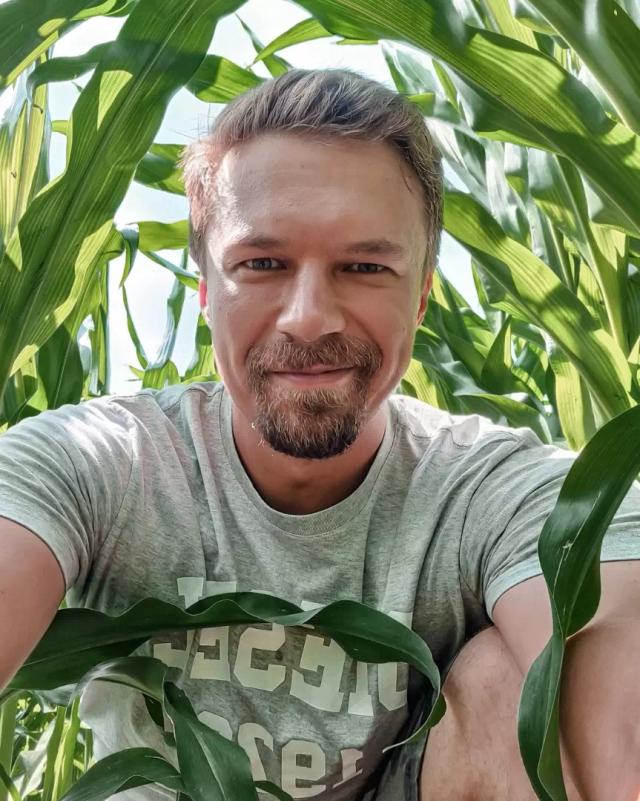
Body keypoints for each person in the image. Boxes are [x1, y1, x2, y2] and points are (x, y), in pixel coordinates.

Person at [0, 68, 639, 801]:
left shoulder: (486, 487)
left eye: (364, 266)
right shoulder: (100, 462)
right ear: (206, 290)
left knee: (510, 685)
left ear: (420, 295)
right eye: (262, 263)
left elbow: (622, 732)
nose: (309, 318)